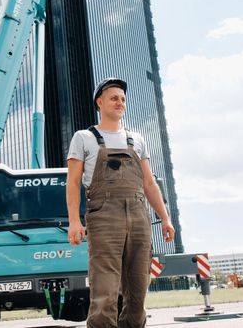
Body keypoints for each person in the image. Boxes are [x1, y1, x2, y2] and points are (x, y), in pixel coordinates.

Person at [66, 77, 175, 328]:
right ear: (100, 102)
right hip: (104, 215)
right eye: (114, 98)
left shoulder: (136, 139)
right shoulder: (84, 137)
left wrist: (165, 218)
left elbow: (149, 183)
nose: (120, 102)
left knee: (138, 291)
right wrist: (74, 220)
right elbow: (72, 182)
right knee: (105, 290)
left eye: (123, 99)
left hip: (138, 215)